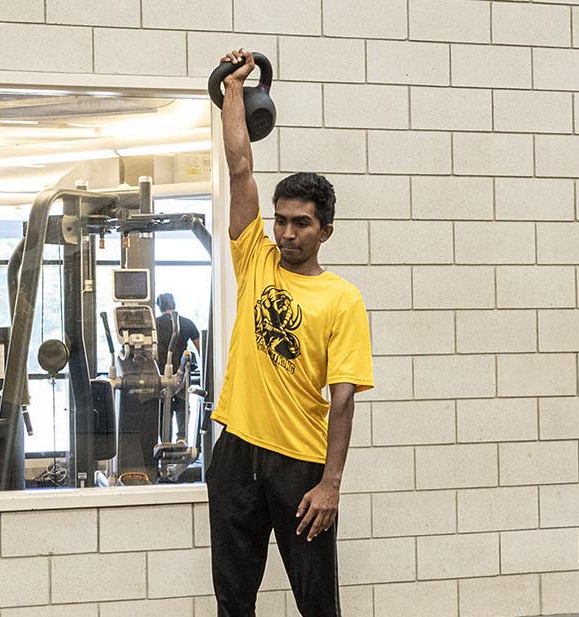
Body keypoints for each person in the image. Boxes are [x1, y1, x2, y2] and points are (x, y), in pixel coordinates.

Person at [206, 49, 374, 617]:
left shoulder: (342, 299)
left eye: (300, 223)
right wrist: (233, 90)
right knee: (233, 601)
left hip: (299, 465)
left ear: (325, 230)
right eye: (280, 220)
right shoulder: (255, 258)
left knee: (317, 605)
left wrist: (331, 484)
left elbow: (344, 400)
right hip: (236, 453)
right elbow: (240, 170)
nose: (286, 232)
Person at [155, 292, 202, 441]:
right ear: (174, 304)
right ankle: (181, 438)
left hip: (162, 372)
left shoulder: (154, 324)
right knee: (182, 405)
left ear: (159, 306)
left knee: (163, 406)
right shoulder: (187, 323)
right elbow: (202, 349)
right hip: (181, 372)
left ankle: (165, 439)